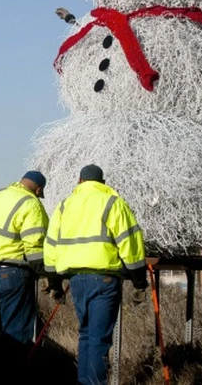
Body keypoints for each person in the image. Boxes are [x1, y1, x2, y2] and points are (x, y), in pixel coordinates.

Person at [44, 164, 147, 385]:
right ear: (102, 182)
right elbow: (130, 243)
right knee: (99, 338)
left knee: (86, 335)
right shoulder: (112, 202)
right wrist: (139, 282)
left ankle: (85, 381)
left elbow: (51, 247)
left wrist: (55, 285)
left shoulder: (64, 206)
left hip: (77, 280)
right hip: (105, 278)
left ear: (79, 181)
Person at [0, 170, 49, 353]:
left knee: (2, 327)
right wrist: (43, 272)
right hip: (14, 271)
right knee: (18, 331)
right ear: (38, 190)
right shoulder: (30, 203)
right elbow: (34, 245)